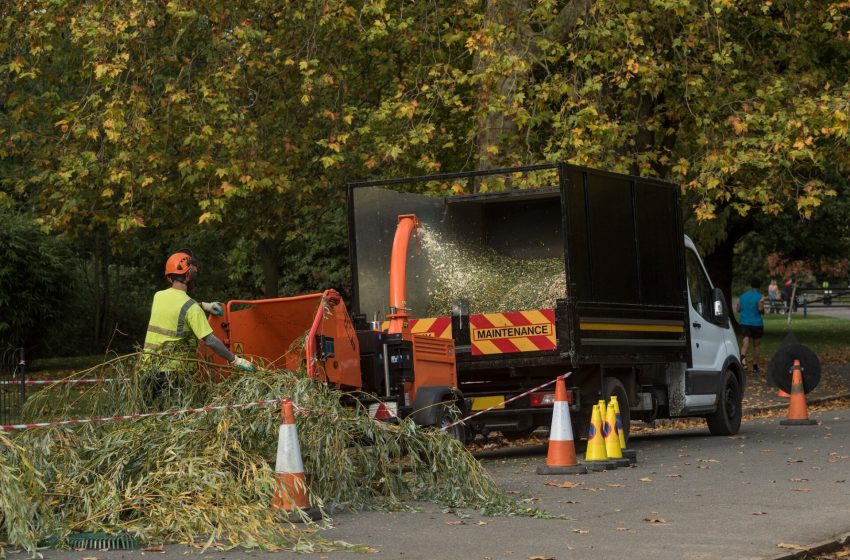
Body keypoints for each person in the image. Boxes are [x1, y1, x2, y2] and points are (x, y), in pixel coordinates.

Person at [142, 250, 255, 400]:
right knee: (176, 418)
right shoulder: (191, 308)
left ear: (169, 278)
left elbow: (175, 309)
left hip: (149, 369)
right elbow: (210, 340)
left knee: (151, 417)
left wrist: (204, 305)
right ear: (189, 276)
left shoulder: (158, 297)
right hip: (174, 375)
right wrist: (234, 359)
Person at [736, 278, 765, 374]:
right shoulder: (760, 296)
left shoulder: (742, 296)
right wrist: (763, 311)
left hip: (745, 323)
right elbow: (760, 309)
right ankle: (755, 367)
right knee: (756, 346)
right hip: (757, 323)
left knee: (745, 343)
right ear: (759, 287)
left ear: (751, 286)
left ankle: (743, 361)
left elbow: (738, 309)